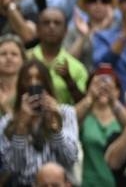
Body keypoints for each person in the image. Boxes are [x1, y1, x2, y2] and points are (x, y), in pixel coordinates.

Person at [0, 59, 79, 187]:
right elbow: (12, 168)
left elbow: (70, 159)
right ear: (21, 85)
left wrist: (55, 127)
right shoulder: (7, 121)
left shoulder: (66, 113)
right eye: (28, 79)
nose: (33, 83)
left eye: (39, 78)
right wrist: (21, 127)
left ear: (47, 84)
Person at [76, 63, 126, 187]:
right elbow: (69, 123)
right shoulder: (85, 116)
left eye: (110, 86)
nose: (103, 88)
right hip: (89, 183)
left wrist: (113, 101)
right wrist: (90, 97)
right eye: (98, 85)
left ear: (118, 91)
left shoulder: (122, 116)